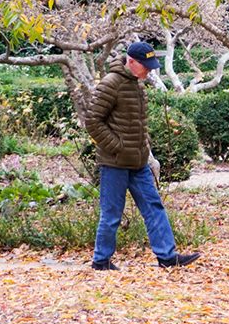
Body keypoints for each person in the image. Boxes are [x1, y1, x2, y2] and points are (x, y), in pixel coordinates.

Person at [86, 42, 201, 270]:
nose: (150, 70)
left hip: (138, 163)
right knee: (111, 215)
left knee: (153, 206)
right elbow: (92, 121)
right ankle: (101, 261)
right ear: (131, 62)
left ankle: (167, 256)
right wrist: (117, 146)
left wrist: (143, 147)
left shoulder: (137, 84)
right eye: (146, 65)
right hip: (115, 162)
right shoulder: (111, 83)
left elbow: (138, 124)